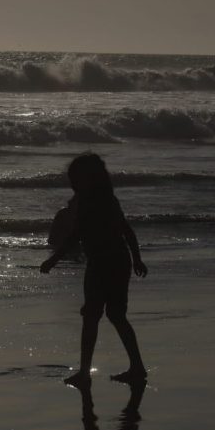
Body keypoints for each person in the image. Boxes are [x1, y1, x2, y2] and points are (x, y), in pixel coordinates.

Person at [40, 153, 148, 386]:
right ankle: (136, 367)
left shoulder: (91, 201)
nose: (73, 183)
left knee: (92, 317)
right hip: (118, 261)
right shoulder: (107, 198)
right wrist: (136, 259)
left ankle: (85, 373)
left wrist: (53, 259)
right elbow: (126, 231)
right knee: (115, 315)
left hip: (103, 263)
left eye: (75, 178)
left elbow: (75, 235)